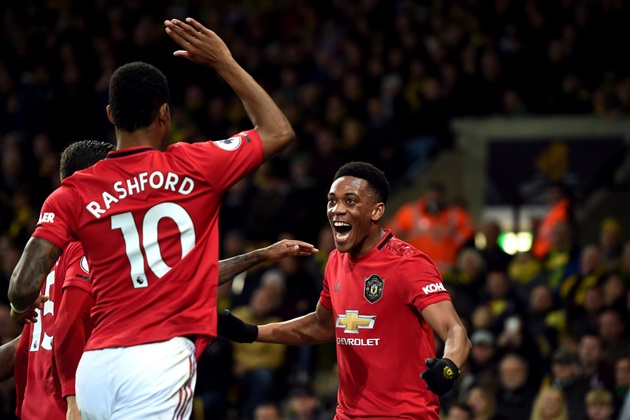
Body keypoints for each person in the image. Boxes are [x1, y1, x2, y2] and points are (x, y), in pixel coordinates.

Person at [8, 17, 297, 418]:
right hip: (159, 359)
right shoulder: (197, 165)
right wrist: (224, 62)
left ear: (111, 115)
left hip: (95, 369)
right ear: (165, 114)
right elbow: (278, 131)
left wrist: (19, 306)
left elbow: (23, 284)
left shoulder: (74, 190)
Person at [6, 140, 318, 420]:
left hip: (37, 407)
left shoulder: (46, 263)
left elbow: (26, 345)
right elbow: (67, 322)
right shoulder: (88, 248)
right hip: (72, 408)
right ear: (89, 179)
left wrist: (259, 256)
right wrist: (73, 399)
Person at [219, 162, 471, 419]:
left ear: (376, 211)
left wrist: (449, 365)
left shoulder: (408, 264)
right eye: (332, 201)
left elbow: (454, 329)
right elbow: (323, 324)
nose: (337, 209)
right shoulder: (335, 261)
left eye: (350, 201)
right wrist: (252, 332)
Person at [386, 180, 475, 274]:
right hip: (417, 271)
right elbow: (388, 234)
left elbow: (469, 227)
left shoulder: (452, 215)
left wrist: (455, 242)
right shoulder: (412, 212)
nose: (434, 198)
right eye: (432, 194)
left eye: (438, 195)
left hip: (445, 274)